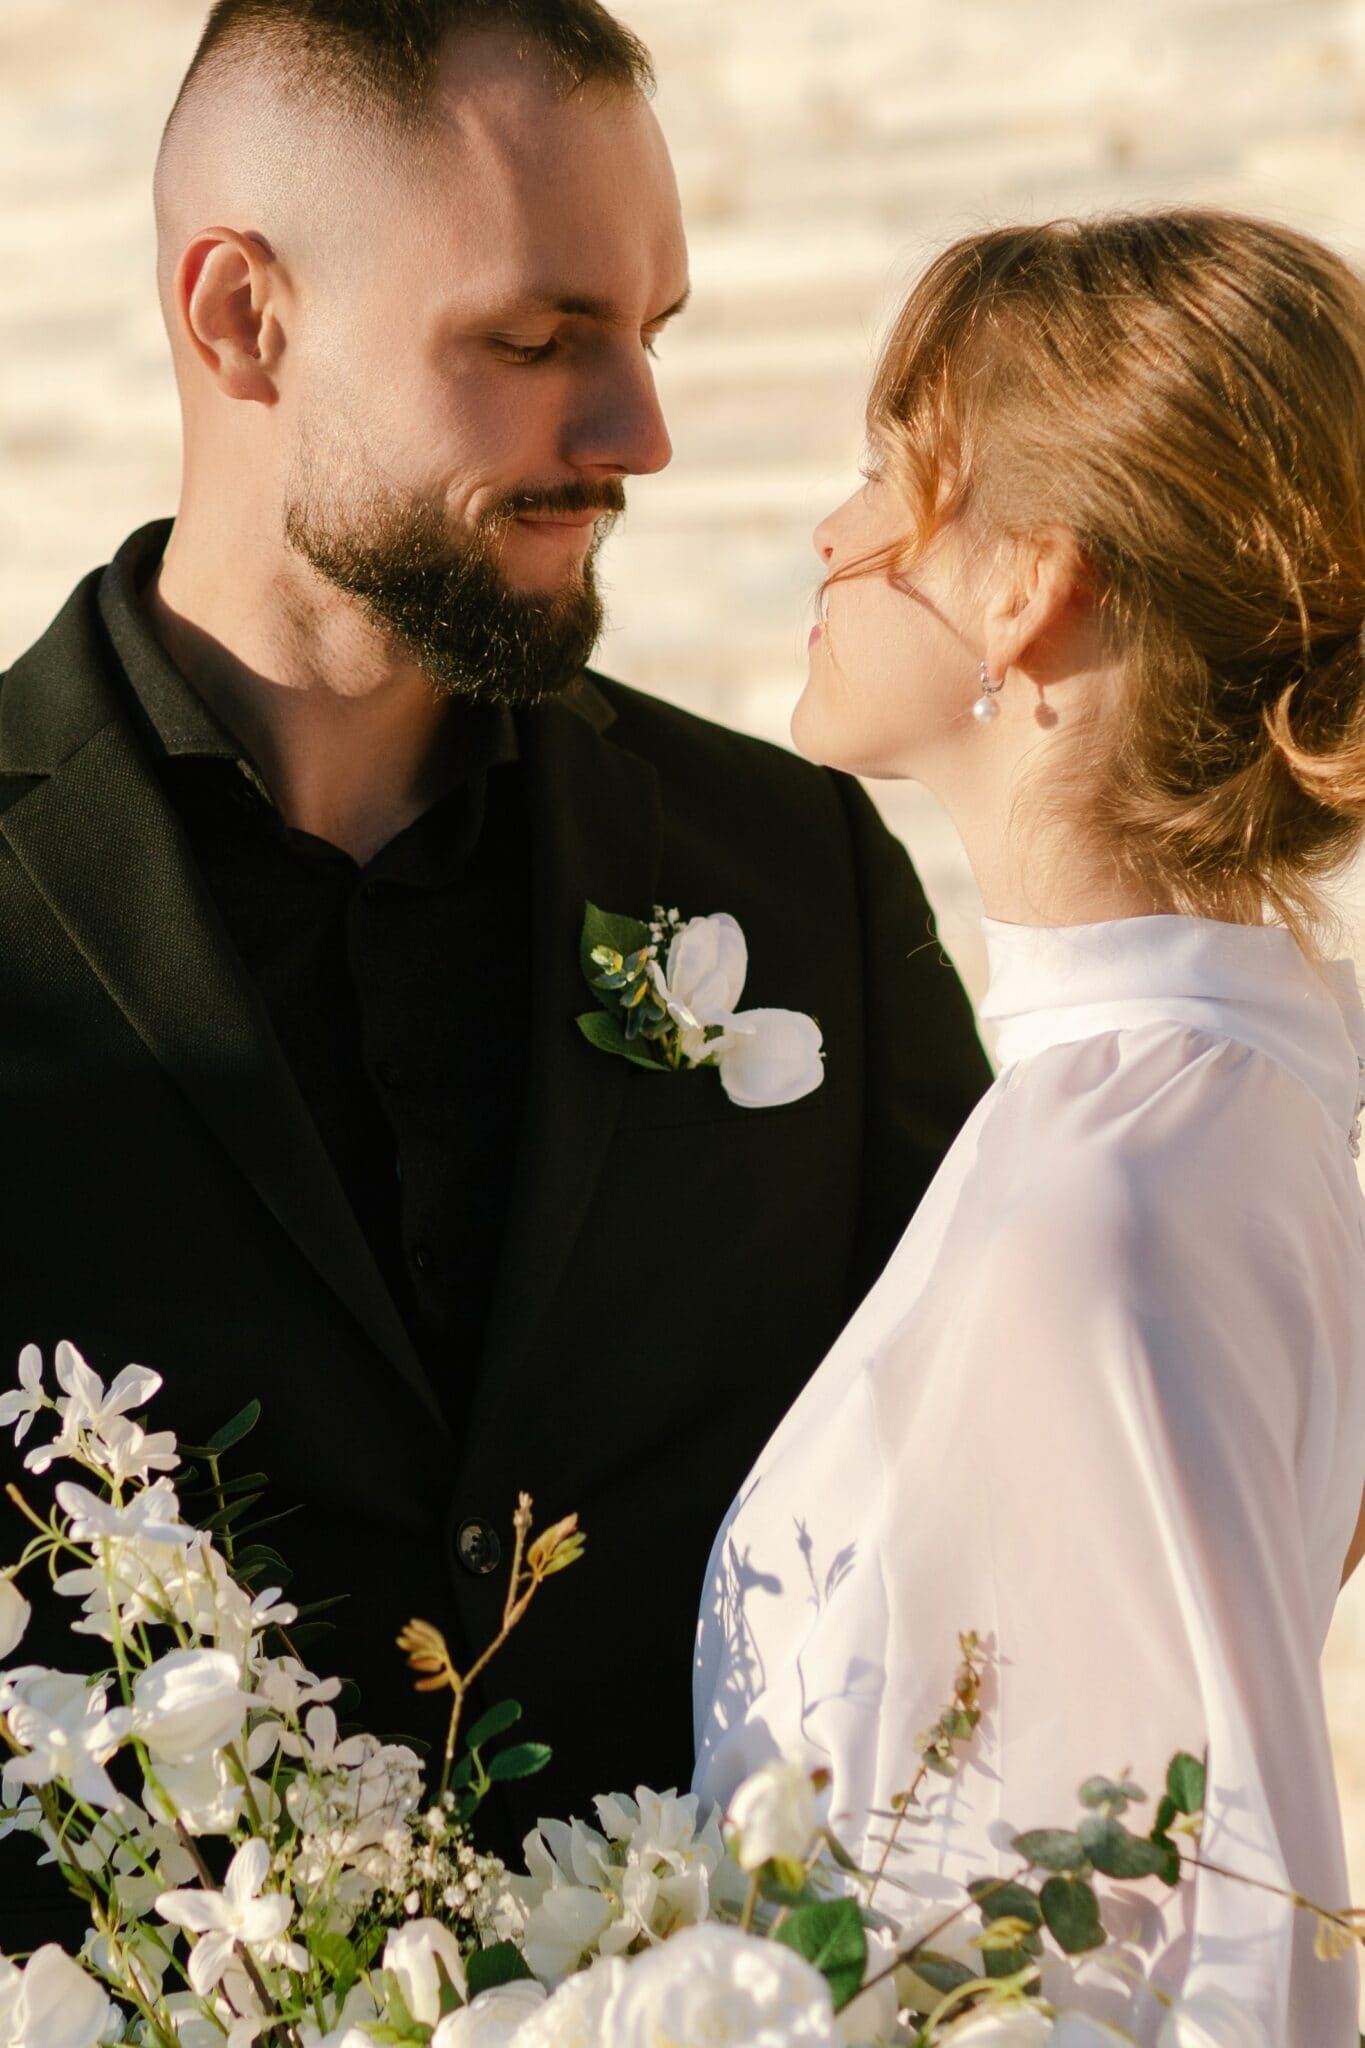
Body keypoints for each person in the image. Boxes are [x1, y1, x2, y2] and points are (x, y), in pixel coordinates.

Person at [0, 0, 989, 1950]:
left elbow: (989, 1506)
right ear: (241, 321)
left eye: (651, 332)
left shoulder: (790, 880)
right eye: (535, 343)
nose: (637, 430)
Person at [693, 211, 1365, 2043]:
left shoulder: (1113, 1192)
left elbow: (1227, 1905)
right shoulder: (1215, 1102)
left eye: (878, 474)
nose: (829, 537)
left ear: (1024, 588)